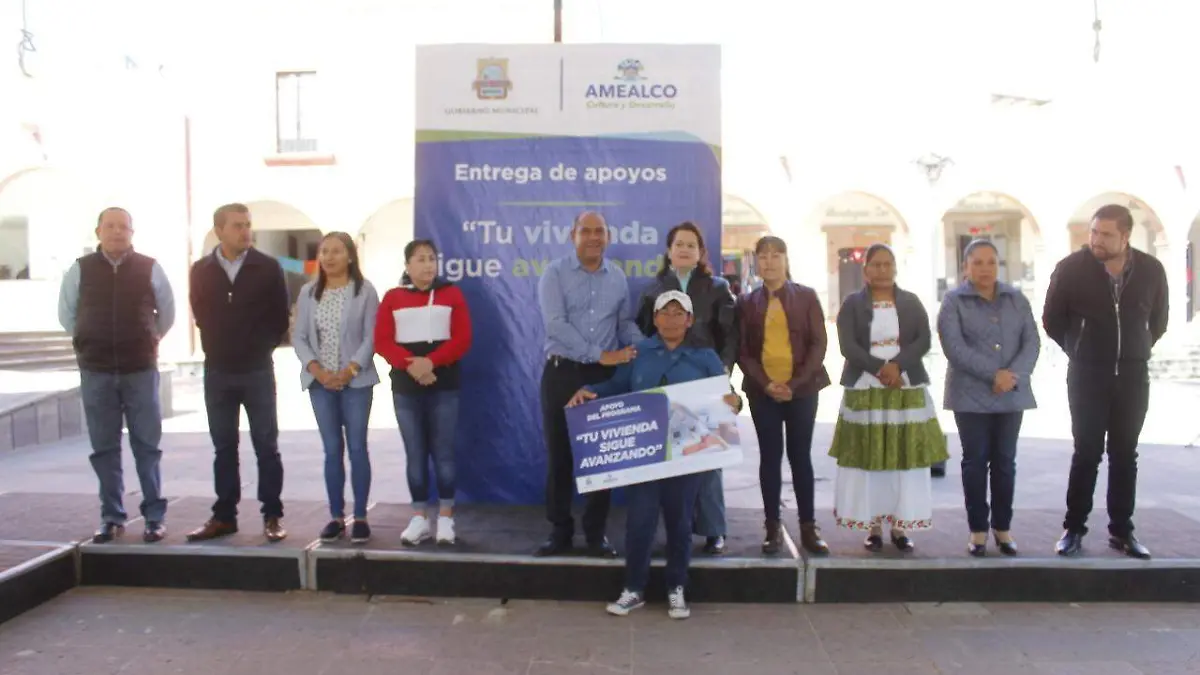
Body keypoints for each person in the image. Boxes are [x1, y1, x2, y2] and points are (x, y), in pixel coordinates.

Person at [568, 290, 737, 619]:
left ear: (689, 320)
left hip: (687, 455)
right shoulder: (639, 353)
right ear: (655, 318)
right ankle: (633, 588)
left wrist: (736, 402)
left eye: (679, 314)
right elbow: (617, 386)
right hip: (644, 455)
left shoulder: (705, 357)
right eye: (665, 313)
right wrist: (589, 391)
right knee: (640, 523)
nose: (671, 319)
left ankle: (677, 588)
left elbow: (726, 397)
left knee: (680, 523)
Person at [1043, 204, 1168, 559]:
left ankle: (1122, 531)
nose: (1096, 240)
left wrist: (1135, 349)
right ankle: (1073, 528)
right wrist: (1081, 350)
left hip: (1132, 374)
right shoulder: (1071, 269)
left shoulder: (1151, 270)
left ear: (1125, 237)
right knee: (1087, 452)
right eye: (1094, 232)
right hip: (1087, 374)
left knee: (1125, 454)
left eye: (1106, 234)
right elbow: (1052, 319)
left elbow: (1158, 321)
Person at [57, 207, 175, 544]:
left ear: (132, 232)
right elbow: (68, 314)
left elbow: (166, 313)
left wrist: (147, 337)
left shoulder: (150, 268)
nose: (117, 232)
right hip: (97, 371)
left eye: (123, 227)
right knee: (104, 448)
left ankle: (154, 516)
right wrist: (87, 339)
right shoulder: (80, 270)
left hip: (140, 369)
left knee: (147, 447)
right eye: (110, 226)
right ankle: (112, 516)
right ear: (98, 233)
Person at [535, 211, 643, 558]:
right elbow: (556, 325)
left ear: (608, 237)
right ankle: (559, 532)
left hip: (602, 379)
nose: (594, 237)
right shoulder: (554, 273)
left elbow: (623, 323)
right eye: (587, 231)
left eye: (600, 232)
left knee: (602, 458)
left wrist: (644, 346)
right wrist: (600, 355)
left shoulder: (617, 278)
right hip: (563, 373)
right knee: (561, 457)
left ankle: (596, 534)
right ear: (573, 235)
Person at [829, 243, 948, 552]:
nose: (882, 270)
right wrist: (880, 368)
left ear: (895, 268)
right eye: (876, 265)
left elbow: (923, 339)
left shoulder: (911, 302)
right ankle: (873, 527)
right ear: (865, 269)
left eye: (887, 264)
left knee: (903, 456)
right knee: (869, 456)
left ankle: (900, 526)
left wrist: (898, 366)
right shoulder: (852, 304)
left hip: (905, 388)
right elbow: (847, 345)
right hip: (866, 386)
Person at [186, 203, 291, 543]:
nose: (245, 231)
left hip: (257, 370)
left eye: (248, 225)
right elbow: (200, 313)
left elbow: (279, 317)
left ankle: (272, 515)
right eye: (237, 226)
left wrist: (260, 346)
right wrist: (218, 346)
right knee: (223, 447)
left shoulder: (268, 267)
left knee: (266, 445)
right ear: (219, 231)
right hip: (218, 371)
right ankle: (224, 516)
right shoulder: (200, 270)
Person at [635, 221, 739, 555]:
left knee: (708, 454)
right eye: (678, 244)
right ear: (668, 251)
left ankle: (713, 529)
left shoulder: (718, 287)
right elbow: (642, 334)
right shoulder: (653, 289)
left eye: (691, 245)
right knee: (668, 456)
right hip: (665, 381)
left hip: (705, 379)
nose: (684, 249)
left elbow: (730, 336)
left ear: (701, 252)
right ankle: (672, 529)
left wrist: (723, 370)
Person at [937, 239, 1040, 557]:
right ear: (965, 267)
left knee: (1005, 463)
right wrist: (992, 374)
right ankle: (978, 530)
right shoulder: (953, 302)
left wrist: (1013, 376)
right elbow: (954, 348)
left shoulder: (1016, 299)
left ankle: (1003, 529)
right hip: (970, 395)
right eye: (977, 262)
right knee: (975, 462)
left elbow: (1032, 341)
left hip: (1011, 393)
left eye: (991, 262)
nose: (985, 268)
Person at [738, 236, 832, 556]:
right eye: (762, 256)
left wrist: (794, 383)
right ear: (756, 263)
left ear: (786, 260)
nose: (769, 262)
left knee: (800, 456)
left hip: (802, 390)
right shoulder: (748, 302)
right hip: (762, 392)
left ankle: (808, 526)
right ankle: (772, 527)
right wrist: (766, 383)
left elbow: (819, 343)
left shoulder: (805, 297)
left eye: (776, 255)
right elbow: (744, 352)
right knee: (770, 457)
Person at [375, 239, 472, 546]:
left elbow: (462, 338)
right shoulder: (392, 297)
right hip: (405, 387)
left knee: (443, 455)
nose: (428, 265)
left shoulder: (451, 294)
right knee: (415, 455)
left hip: (444, 385)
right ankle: (419, 519)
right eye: (420, 259)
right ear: (407, 266)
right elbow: (383, 341)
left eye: (432, 258)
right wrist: (411, 365)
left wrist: (431, 362)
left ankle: (445, 518)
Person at [291, 232, 380, 545]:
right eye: (324, 251)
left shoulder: (365, 291)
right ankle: (335, 516)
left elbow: (372, 336)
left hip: (356, 382)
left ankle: (361, 517)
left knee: (357, 447)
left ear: (350, 256)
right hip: (321, 383)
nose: (329, 257)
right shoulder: (308, 293)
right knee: (331, 450)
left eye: (336, 251)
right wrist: (317, 370)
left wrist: (351, 369)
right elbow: (299, 337)